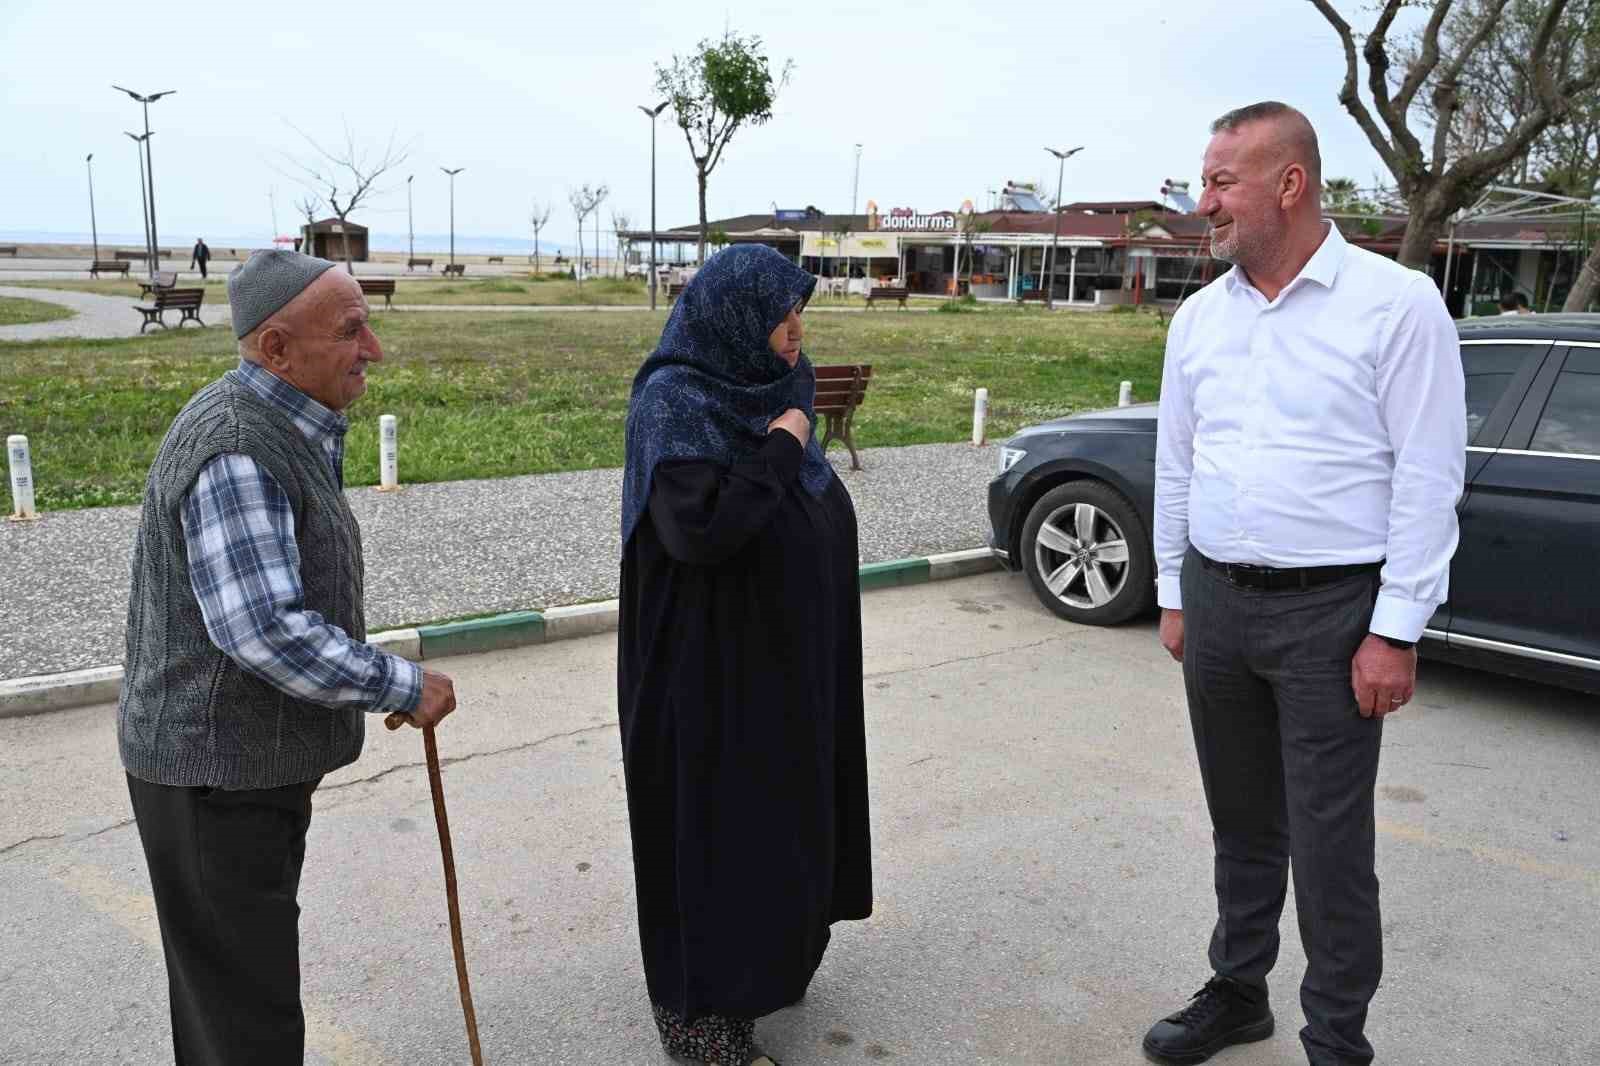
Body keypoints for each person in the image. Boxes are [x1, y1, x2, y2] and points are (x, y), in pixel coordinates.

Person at [1147, 102, 1465, 1066]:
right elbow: (1177, 463)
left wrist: (1396, 627)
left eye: (1221, 182)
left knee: (1330, 850)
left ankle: (1337, 1040)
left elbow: (1426, 473)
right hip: (1217, 604)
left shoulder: (1396, 304)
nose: (1205, 203)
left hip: (1334, 617)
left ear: (1291, 184)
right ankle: (1239, 990)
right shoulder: (1201, 318)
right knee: (1241, 823)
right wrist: (1172, 589)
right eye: (1204, 181)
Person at [118, 248, 458, 1065]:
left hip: (237, 773)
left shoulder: (280, 420)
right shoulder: (238, 446)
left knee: (239, 1001)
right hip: (211, 778)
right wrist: (399, 683)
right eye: (350, 331)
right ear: (275, 349)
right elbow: (264, 628)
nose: (373, 349)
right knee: (245, 1022)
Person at [617, 243, 873, 1066]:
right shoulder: (676, 402)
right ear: (733, 322)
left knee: (783, 817)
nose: (796, 333)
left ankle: (773, 962)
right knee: (714, 828)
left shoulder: (778, 386)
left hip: (787, 663)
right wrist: (786, 446)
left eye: (799, 313)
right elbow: (702, 531)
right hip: (706, 670)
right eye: (779, 318)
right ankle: (699, 1014)